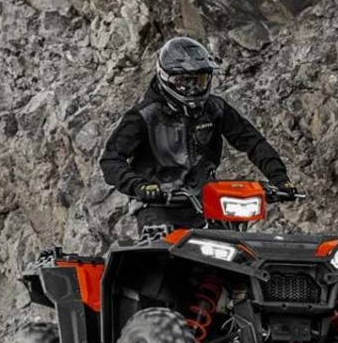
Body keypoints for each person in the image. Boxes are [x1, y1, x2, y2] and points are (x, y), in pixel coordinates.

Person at [100, 36, 299, 232]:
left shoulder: (216, 108)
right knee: (164, 249)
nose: (193, 88)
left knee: (236, 246)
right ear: (166, 77)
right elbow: (111, 160)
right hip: (159, 205)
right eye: (185, 82)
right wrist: (139, 186)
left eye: (200, 81)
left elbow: (253, 142)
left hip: (207, 201)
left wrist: (279, 178)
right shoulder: (143, 116)